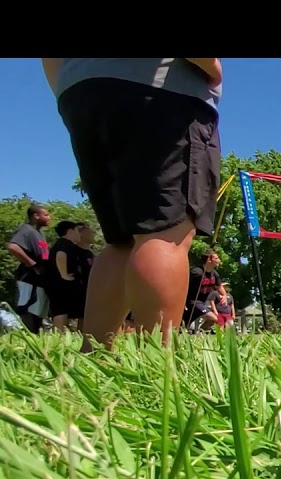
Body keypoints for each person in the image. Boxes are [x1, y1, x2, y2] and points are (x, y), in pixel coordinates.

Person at [43, 58, 223, 351]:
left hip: (78, 91)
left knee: (120, 241)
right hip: (162, 92)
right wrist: (211, 66)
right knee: (164, 235)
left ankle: (94, 355)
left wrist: (68, 83)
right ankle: (156, 365)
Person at [7, 204, 52, 333]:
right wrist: (32, 264)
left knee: (38, 311)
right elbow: (12, 247)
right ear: (36, 216)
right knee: (28, 309)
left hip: (39, 279)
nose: (49, 217)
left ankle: (36, 337)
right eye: (46, 215)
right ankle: (28, 339)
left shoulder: (38, 233)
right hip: (29, 277)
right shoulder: (26, 230)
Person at [50, 220, 95, 331]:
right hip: (60, 284)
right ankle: (59, 335)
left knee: (76, 311)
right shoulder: (64, 243)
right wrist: (64, 274)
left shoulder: (67, 245)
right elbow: (60, 255)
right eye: (77, 230)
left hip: (65, 283)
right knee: (61, 310)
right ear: (70, 231)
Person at [185, 251, 221, 332]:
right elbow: (184, 285)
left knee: (184, 324)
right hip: (193, 302)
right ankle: (201, 331)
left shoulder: (214, 274)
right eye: (216, 258)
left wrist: (224, 296)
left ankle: (200, 331)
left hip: (202, 302)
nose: (219, 260)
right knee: (214, 318)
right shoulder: (196, 272)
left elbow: (219, 286)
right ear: (209, 260)